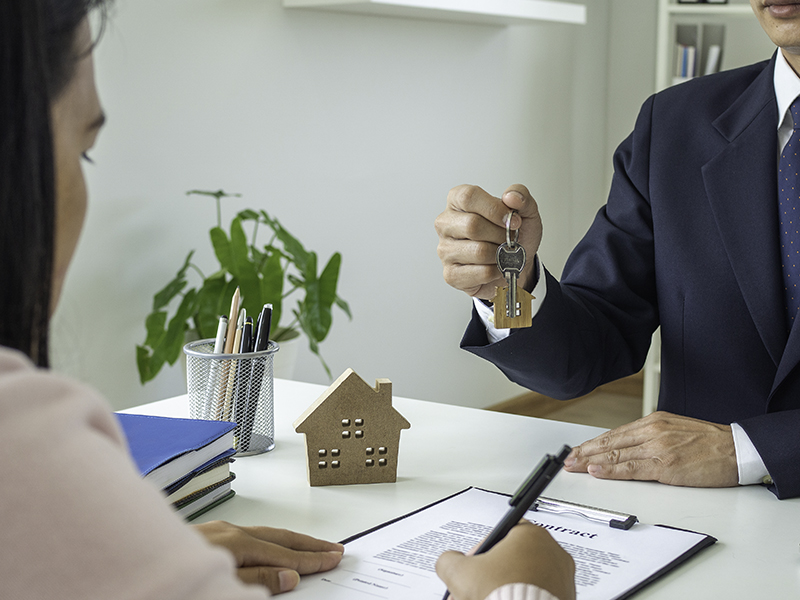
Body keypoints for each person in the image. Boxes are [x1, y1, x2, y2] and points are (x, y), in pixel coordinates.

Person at [0, 1, 577, 599]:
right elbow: (593, 337)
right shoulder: (25, 455)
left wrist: (126, 563)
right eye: (83, 151)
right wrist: (526, 592)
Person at [435, 0, 800, 501]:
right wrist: (510, 291)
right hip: (700, 518)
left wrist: (751, 449)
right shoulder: (672, 124)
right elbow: (592, 343)